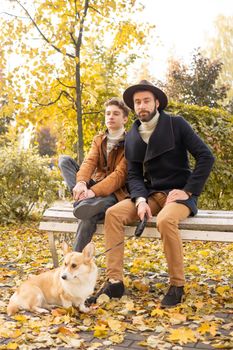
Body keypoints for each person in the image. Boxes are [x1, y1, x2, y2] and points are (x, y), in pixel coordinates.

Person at [87, 80, 215, 308]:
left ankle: (177, 285)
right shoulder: (134, 134)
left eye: (146, 100)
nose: (142, 105)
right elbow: (134, 174)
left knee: (165, 221)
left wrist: (188, 190)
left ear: (156, 102)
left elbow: (206, 157)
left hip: (179, 194)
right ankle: (115, 282)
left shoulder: (177, 124)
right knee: (114, 214)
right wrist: (139, 199)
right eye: (137, 102)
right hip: (150, 194)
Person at [58, 97, 129, 252]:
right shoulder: (99, 139)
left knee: (88, 217)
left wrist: (93, 192)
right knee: (64, 160)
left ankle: (73, 263)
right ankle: (81, 200)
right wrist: (82, 183)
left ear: (125, 118)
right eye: (108, 113)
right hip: (94, 187)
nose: (110, 116)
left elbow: (119, 175)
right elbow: (89, 162)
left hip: (116, 192)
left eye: (116, 114)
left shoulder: (131, 142)